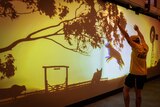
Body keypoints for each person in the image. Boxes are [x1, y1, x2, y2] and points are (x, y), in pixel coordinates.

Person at [117, 19, 149, 107]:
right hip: (143, 74)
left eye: (131, 41)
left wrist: (118, 25)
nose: (129, 42)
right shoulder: (145, 46)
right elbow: (142, 38)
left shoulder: (135, 47)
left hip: (135, 74)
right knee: (138, 94)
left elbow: (126, 36)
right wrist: (138, 30)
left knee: (125, 90)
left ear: (134, 42)